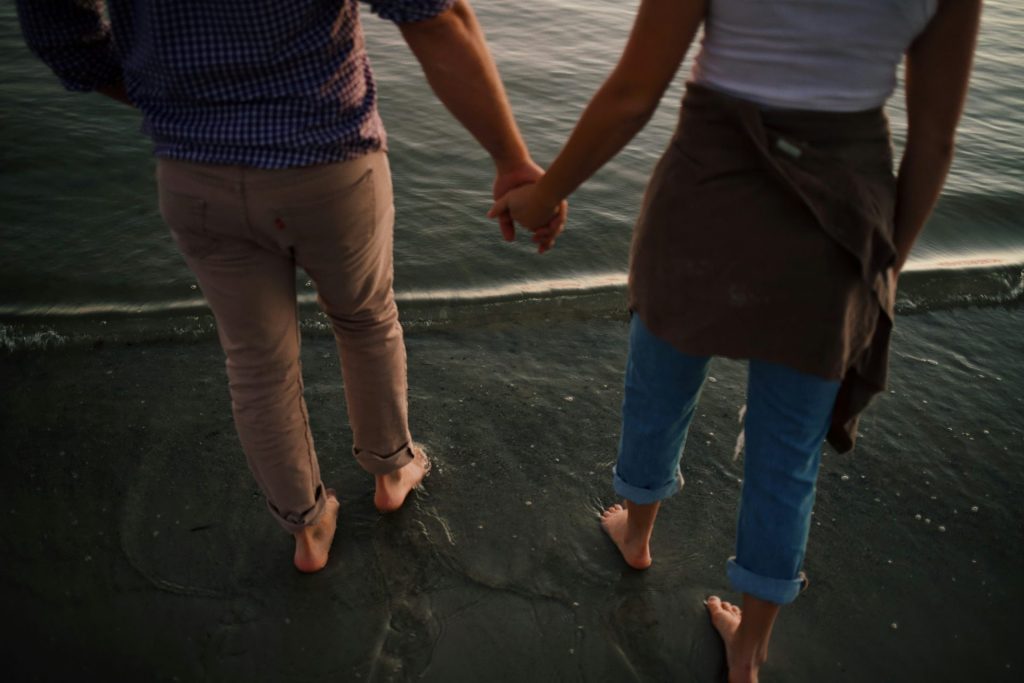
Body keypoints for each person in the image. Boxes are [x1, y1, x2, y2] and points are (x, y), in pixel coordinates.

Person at [490, 1, 980, 680]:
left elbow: (635, 93)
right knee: (787, 452)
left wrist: (544, 197)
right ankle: (747, 650)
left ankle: (636, 533)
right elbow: (935, 142)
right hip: (839, 218)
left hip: (705, 196)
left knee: (658, 389)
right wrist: (883, 264)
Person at [17, 0, 565, 574]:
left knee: (257, 363)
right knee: (364, 318)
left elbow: (58, 31)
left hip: (195, 175)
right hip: (327, 161)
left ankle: (307, 530)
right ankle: (390, 471)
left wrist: (172, 99)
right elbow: (435, 17)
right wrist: (511, 159)